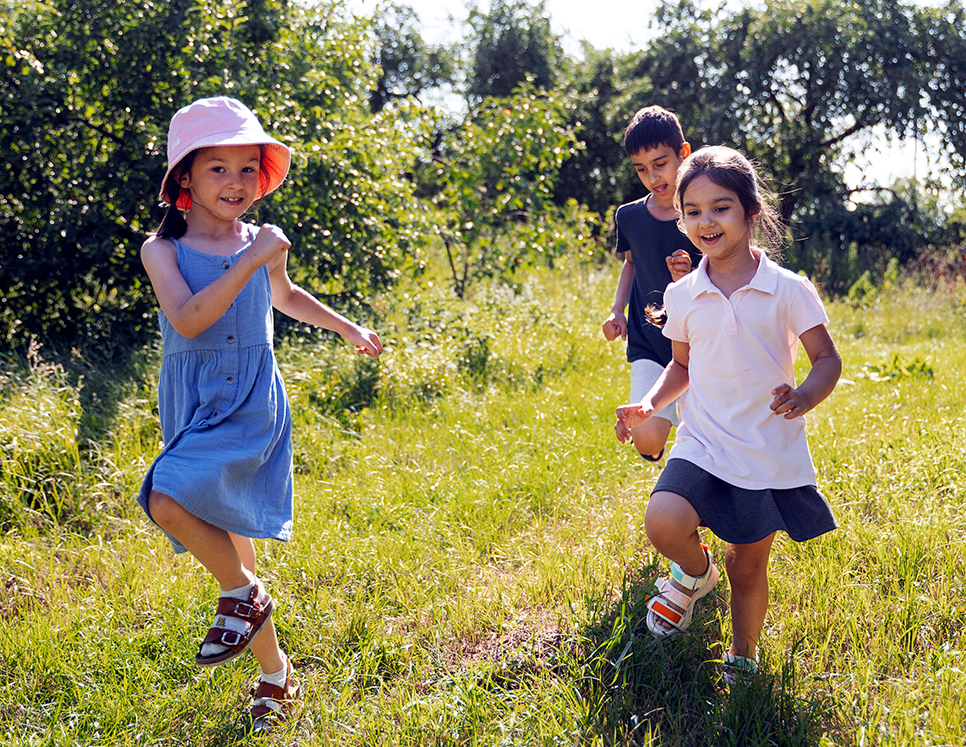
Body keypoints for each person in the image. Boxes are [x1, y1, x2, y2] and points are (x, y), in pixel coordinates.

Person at [137, 96, 383, 730]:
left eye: (249, 168)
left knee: (167, 496)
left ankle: (246, 604)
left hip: (250, 401)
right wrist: (249, 258)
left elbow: (285, 296)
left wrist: (346, 326)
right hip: (196, 401)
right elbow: (189, 319)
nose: (236, 182)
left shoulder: (262, 243)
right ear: (184, 178)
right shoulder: (161, 251)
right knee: (233, 557)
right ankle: (276, 671)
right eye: (218, 168)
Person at [615, 146, 841, 681]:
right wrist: (649, 404)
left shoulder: (788, 289)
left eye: (720, 208)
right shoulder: (684, 294)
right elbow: (681, 367)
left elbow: (827, 359)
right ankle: (695, 575)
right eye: (692, 210)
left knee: (748, 566)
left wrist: (807, 394)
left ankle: (743, 657)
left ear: (750, 212)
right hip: (704, 440)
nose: (705, 221)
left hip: (763, 449)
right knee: (663, 521)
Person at [602, 105, 700, 462]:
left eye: (660, 164)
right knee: (645, 441)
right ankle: (659, 433)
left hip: (697, 345)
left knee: (699, 439)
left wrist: (689, 277)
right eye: (641, 169)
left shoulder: (703, 214)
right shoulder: (628, 216)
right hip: (648, 342)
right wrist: (617, 311)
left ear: (683, 154)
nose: (652, 176)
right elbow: (630, 265)